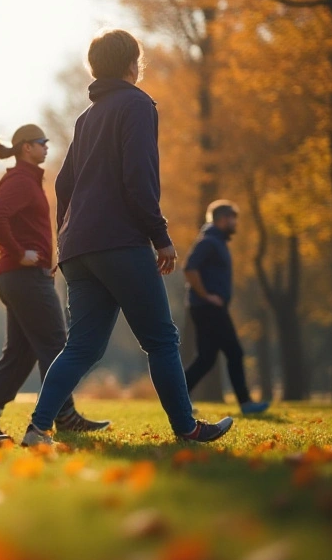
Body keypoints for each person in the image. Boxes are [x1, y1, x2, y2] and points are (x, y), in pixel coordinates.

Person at [22, 29, 233, 447]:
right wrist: (161, 236)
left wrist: (65, 238)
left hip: (78, 250)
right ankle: (187, 428)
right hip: (119, 242)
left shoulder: (86, 118)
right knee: (161, 339)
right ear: (131, 65)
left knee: (81, 347)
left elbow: (64, 184)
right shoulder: (137, 104)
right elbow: (139, 178)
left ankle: (36, 428)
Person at [0, 126, 109, 436]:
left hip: (18, 277)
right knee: (54, 343)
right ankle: (65, 416)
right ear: (26, 148)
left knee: (20, 351)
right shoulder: (21, 182)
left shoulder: (28, 180)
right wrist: (19, 252)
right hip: (23, 276)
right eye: (41, 142)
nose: (46, 147)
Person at [182, 200, 270, 414]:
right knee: (235, 352)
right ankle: (246, 403)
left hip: (206, 307)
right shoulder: (209, 241)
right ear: (222, 219)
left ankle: (176, 399)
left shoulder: (217, 242)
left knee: (206, 359)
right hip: (208, 308)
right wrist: (208, 296)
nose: (235, 223)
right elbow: (189, 269)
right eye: (233, 218)